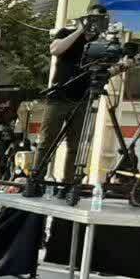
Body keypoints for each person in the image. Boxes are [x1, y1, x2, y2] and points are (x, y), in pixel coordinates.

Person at [40, 12, 98, 186]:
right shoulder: (66, 33)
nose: (94, 23)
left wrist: (121, 67)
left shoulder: (100, 43)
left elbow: (102, 70)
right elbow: (55, 49)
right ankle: (37, 179)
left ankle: (69, 182)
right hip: (58, 97)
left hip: (82, 100)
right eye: (92, 19)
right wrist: (80, 31)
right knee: (47, 141)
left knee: (76, 146)